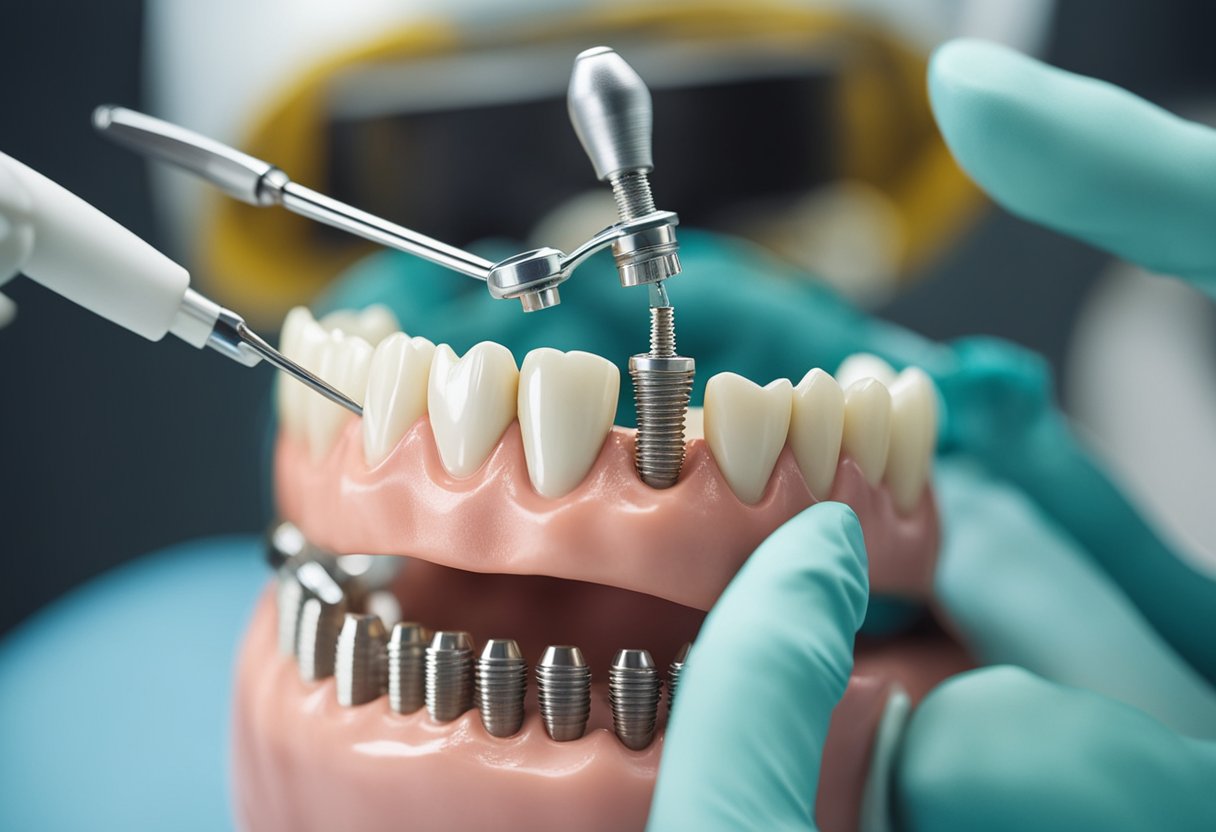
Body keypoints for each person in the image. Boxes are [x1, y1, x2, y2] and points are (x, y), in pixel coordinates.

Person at [1, 38, 1213, 831]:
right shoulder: (83, 729)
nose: (583, 227)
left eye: (739, 132)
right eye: (454, 161)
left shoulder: (1102, 643)